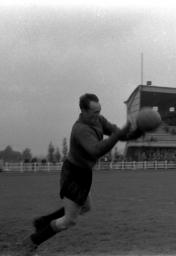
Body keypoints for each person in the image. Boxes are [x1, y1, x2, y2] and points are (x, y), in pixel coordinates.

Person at [17, 93, 144, 256]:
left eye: (100, 110)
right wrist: (119, 135)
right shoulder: (81, 129)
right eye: (94, 112)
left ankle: (42, 222)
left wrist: (137, 131)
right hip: (73, 175)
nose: (98, 115)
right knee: (69, 221)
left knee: (86, 207)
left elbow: (118, 133)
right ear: (83, 111)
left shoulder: (98, 120)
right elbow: (96, 150)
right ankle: (33, 241)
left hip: (84, 173)